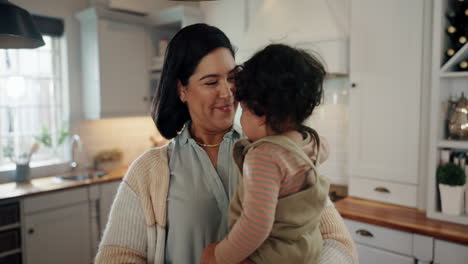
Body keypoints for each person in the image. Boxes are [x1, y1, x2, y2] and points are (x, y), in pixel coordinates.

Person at [95, 23, 358, 264]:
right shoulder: (149, 171)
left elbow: (338, 241)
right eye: (211, 82)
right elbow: (116, 256)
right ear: (182, 90)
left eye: (232, 78)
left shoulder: (275, 151)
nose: (227, 92)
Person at [202, 44, 331, 264]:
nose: (240, 119)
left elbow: (255, 226)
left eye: (243, 110)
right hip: (307, 249)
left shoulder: (264, 156)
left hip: (271, 256)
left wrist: (220, 257)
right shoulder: (311, 142)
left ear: (260, 113)